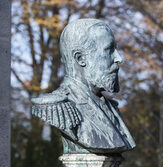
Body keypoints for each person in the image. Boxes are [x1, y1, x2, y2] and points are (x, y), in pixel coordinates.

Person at [31, 19, 135, 154]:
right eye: (109, 50)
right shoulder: (57, 106)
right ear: (80, 59)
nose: (118, 58)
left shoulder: (111, 107)